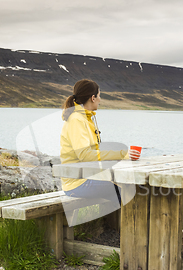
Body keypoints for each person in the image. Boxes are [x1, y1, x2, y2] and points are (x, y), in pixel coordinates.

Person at [60, 79, 140, 210]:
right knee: (127, 189)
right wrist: (122, 154)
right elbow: (85, 155)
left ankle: (117, 228)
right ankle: (130, 229)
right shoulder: (77, 120)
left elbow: (93, 151)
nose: (100, 99)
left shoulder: (86, 118)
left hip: (86, 177)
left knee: (125, 185)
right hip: (77, 183)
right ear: (93, 98)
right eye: (99, 95)